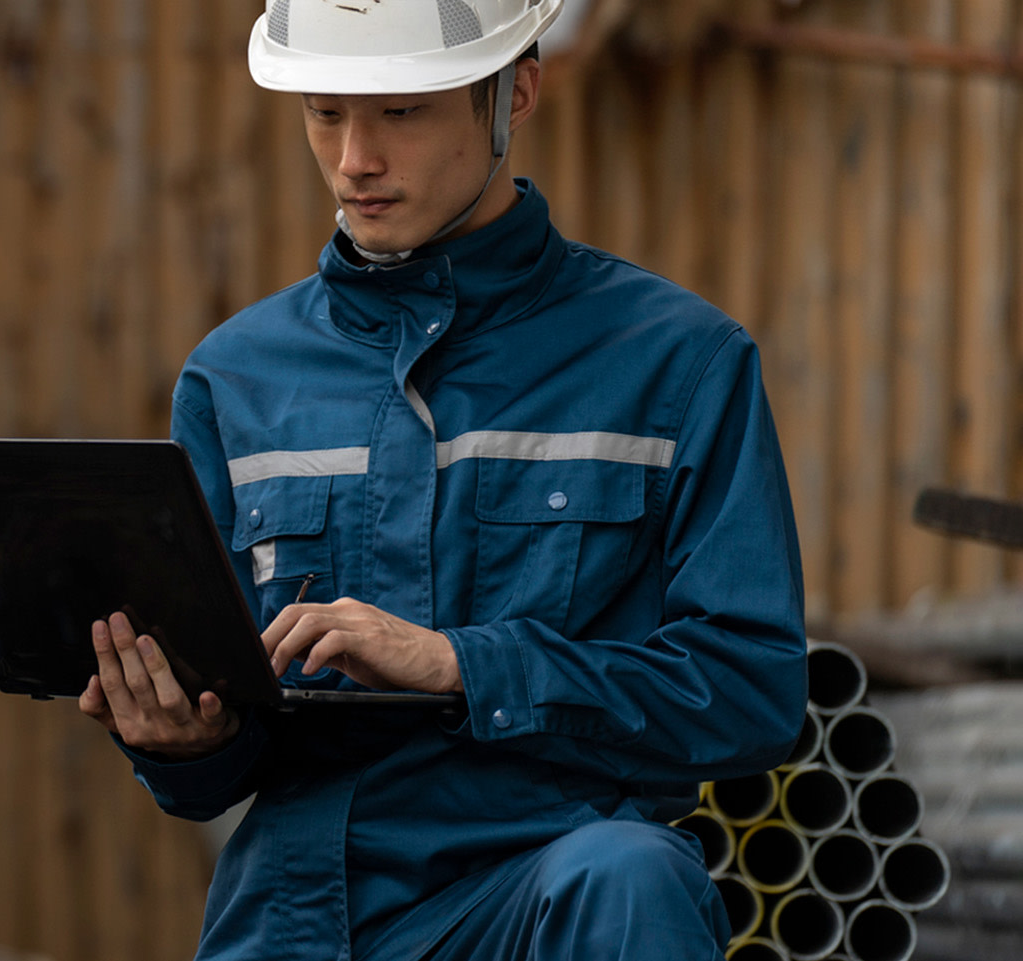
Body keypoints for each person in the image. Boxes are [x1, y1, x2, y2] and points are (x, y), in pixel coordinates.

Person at [72, 1, 808, 958]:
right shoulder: (235, 378)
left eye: (402, 113)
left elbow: (749, 693)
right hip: (296, 916)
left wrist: (466, 663)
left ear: (515, 93)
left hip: (547, 896)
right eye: (325, 112)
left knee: (633, 877)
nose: (354, 161)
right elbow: (218, 773)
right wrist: (180, 738)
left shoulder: (677, 366)